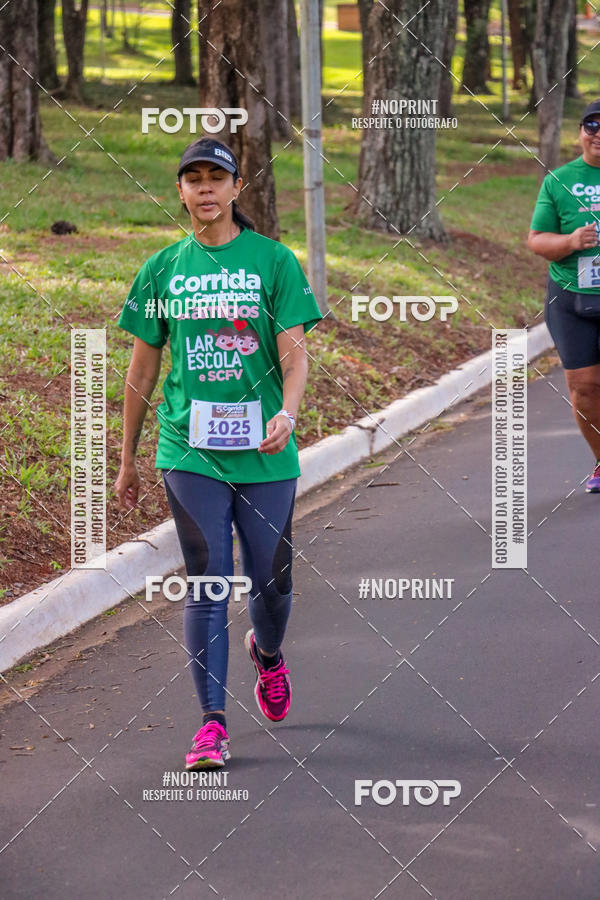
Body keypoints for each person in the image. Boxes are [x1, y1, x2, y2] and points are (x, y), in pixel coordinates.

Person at [114, 137, 322, 769]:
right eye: (193, 179)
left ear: (237, 188)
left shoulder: (273, 262)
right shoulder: (162, 270)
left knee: (272, 580)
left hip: (265, 447)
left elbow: (294, 353)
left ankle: (269, 653)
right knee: (206, 580)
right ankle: (211, 725)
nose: (205, 189)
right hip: (188, 449)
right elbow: (141, 371)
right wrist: (125, 458)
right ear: (180, 191)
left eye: (216, 178)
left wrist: (288, 413)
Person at [529, 99, 600, 492]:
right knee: (584, 386)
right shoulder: (559, 181)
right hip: (571, 297)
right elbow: (537, 240)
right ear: (581, 133)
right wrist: (572, 241)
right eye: (592, 126)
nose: (599, 134)